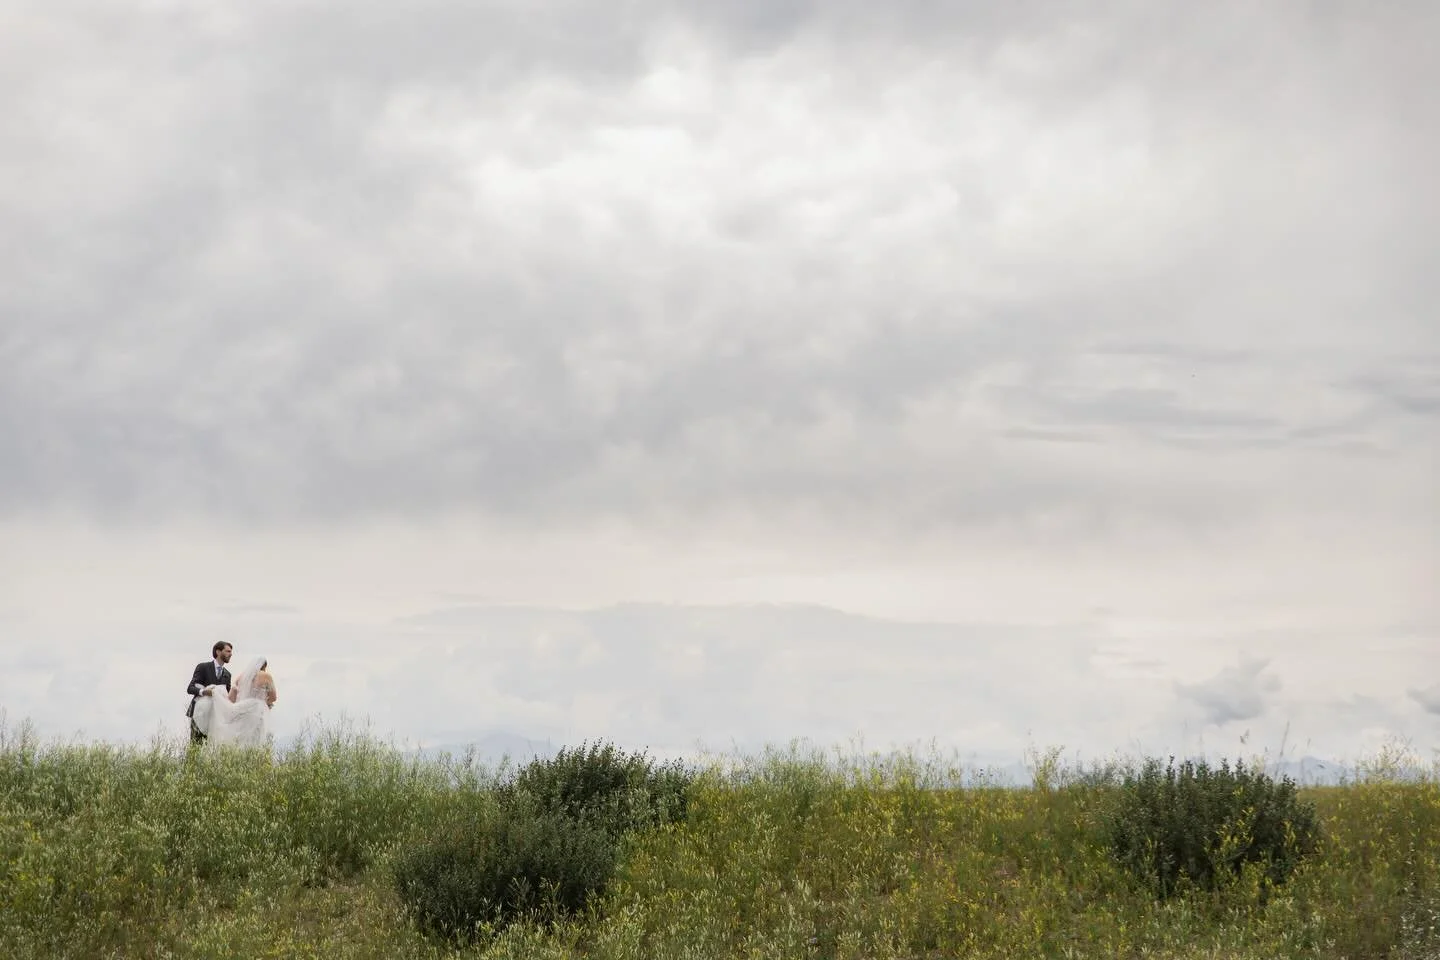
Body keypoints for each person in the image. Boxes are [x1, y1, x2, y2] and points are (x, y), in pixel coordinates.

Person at [191, 656, 278, 748]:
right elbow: (273, 697)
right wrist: (265, 701)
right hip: (257, 710)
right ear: (264, 666)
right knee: (257, 740)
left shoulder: (242, 677)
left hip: (242, 709)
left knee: (242, 740)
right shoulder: (266, 676)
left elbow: (231, 699)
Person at [186, 641, 233, 743]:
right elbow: (190, 688)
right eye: (228, 651)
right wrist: (204, 692)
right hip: (199, 714)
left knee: (212, 750)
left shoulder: (228, 675)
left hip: (216, 718)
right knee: (195, 747)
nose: (231, 654)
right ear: (218, 652)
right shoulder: (203, 667)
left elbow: (228, 698)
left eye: (231, 652)